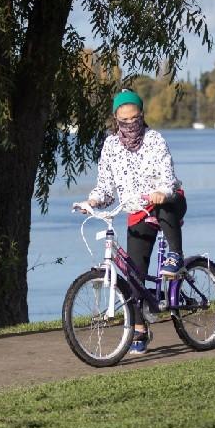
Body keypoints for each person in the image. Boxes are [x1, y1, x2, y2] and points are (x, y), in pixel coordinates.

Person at [80, 89, 187, 354]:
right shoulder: (110, 146)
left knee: (164, 205)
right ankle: (139, 328)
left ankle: (175, 255)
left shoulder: (155, 140)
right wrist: (92, 201)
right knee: (133, 274)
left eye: (135, 118)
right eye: (124, 120)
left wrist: (162, 192)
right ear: (116, 119)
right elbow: (105, 188)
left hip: (167, 202)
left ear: (142, 115)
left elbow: (167, 177)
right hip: (137, 211)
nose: (130, 124)